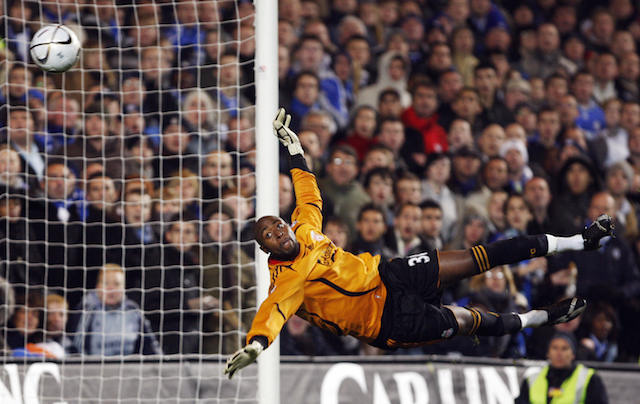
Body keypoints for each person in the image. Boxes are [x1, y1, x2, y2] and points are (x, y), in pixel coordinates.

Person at [224, 109, 612, 378]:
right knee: (466, 319)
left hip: (389, 275)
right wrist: (256, 346)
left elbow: (308, 192)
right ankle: (542, 318)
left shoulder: (304, 227)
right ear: (266, 250)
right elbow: (272, 314)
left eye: (277, 225)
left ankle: (580, 240)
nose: (278, 233)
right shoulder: (286, 282)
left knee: (480, 257)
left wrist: (292, 147)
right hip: (387, 322)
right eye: (269, 236)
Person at [515, 332, 608, 403]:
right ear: (548, 353)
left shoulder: (590, 379)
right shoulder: (532, 378)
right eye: (555, 348)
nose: (559, 353)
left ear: (573, 354)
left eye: (564, 348)